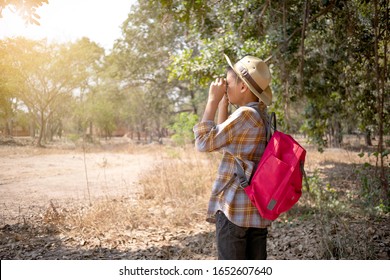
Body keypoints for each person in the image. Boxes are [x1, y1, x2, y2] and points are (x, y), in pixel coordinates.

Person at [193, 54, 273, 260]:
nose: (225, 88)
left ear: (244, 87)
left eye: (228, 83)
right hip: (255, 213)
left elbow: (203, 143)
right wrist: (223, 105)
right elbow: (224, 145)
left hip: (234, 209)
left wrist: (211, 101)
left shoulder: (244, 114)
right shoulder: (259, 114)